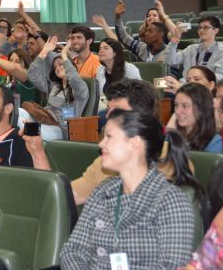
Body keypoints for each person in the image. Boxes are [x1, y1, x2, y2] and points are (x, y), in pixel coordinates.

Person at [20, 78, 192, 205]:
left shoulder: (170, 158)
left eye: (117, 111)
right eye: (109, 109)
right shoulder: (105, 161)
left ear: (141, 117)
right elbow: (63, 198)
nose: (108, 116)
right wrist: (37, 152)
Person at [60, 110, 196, 270]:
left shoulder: (171, 201)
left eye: (109, 137)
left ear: (134, 144)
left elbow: (172, 266)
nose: (101, 144)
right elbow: (73, 250)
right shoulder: (103, 191)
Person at [26, 36, 89, 139]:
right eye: (55, 67)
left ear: (70, 65)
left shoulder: (80, 88)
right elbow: (31, 75)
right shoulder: (54, 86)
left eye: (61, 64)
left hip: (61, 130)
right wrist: (44, 52)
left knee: (27, 130)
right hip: (44, 120)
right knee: (20, 115)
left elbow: (74, 77)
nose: (58, 68)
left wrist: (64, 54)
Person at [165, 16, 223, 82]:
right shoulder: (191, 49)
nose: (201, 30)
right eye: (199, 28)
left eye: (206, 27)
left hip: (208, 89)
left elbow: (221, 76)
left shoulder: (222, 50)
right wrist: (176, 37)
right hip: (186, 86)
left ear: (216, 30)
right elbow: (169, 61)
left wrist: (198, 81)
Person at [168, 82, 221, 153]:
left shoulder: (215, 142)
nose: (177, 111)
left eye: (185, 106)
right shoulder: (175, 138)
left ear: (201, 109)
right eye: (176, 105)